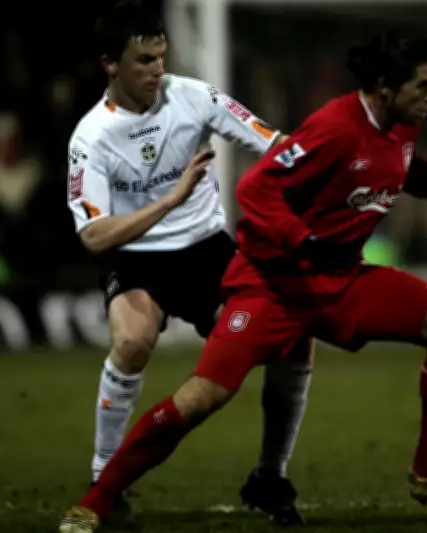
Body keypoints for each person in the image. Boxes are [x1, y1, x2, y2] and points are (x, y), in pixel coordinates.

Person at [59, 30, 427, 533]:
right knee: (200, 398)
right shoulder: (336, 126)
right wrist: (306, 242)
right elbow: (256, 188)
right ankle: (96, 502)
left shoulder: (402, 121)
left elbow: (396, 169)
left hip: (339, 283)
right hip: (273, 287)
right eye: (424, 86)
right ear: (385, 88)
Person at [66, 0, 312, 526]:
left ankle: (270, 474)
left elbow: (275, 144)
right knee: (132, 341)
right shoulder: (90, 138)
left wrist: (321, 167)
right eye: (143, 62)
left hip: (208, 253)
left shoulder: (195, 96)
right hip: (134, 257)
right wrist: (169, 202)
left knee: (293, 340)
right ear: (110, 63)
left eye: (161, 56)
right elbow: (94, 235)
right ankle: (104, 478)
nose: (158, 70)